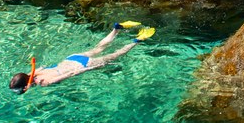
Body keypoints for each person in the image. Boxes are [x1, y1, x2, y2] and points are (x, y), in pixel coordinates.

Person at [9, 22, 155, 93]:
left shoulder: (43, 81)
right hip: (72, 58)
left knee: (116, 55)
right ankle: (116, 29)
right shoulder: (36, 71)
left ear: (26, 85)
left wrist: (91, 68)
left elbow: (71, 73)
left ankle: (138, 40)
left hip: (81, 65)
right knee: (99, 47)